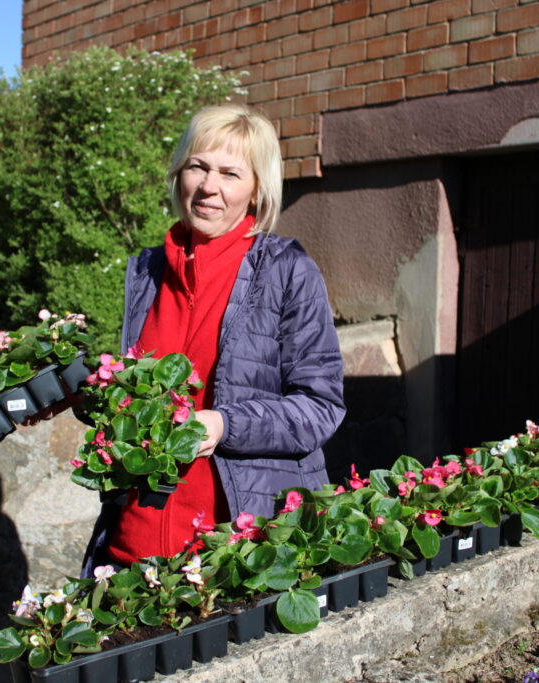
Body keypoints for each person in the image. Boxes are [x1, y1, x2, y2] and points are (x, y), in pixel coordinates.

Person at [81, 103, 345, 576]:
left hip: (234, 548)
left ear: (257, 190)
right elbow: (128, 393)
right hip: (134, 545)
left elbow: (320, 407)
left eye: (230, 173)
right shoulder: (146, 271)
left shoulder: (287, 271)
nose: (208, 187)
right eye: (198, 167)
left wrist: (224, 425)